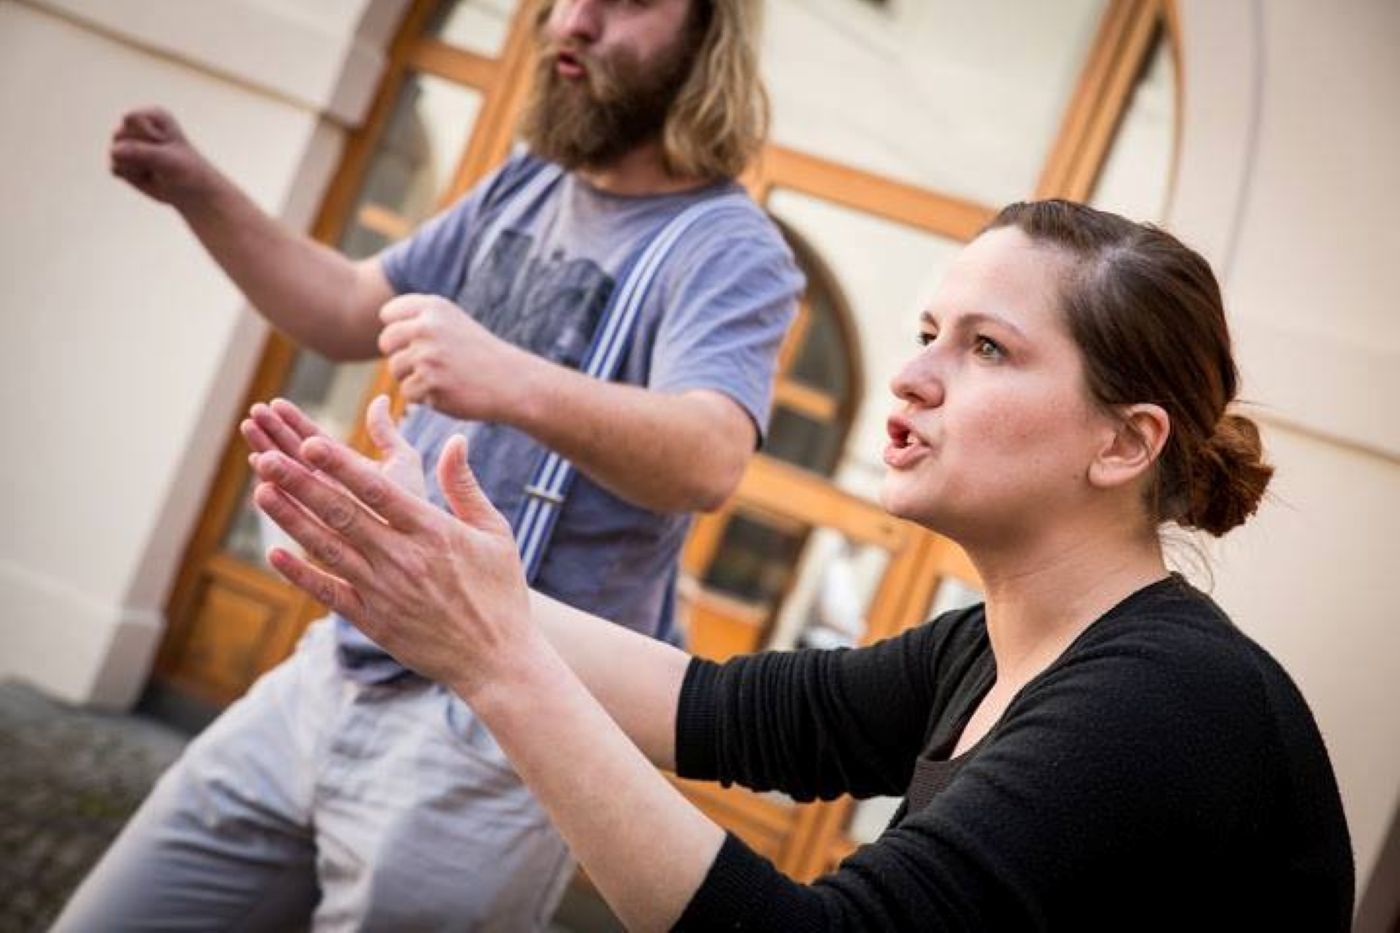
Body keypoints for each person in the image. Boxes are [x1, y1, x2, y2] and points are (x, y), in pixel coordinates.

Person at [246, 200, 1355, 931]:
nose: (912, 376)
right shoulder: (989, 649)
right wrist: (454, 570)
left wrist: (493, 659)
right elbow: (717, 711)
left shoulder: (1166, 700)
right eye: (927, 331)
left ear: (1123, 443)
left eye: (986, 347)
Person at [59, 0, 801, 929]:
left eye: (625, 1)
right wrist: (199, 190)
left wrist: (510, 378)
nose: (574, 21)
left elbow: (710, 454)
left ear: (706, 39)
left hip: (496, 740)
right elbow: (347, 306)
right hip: (337, 663)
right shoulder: (527, 182)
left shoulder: (728, 247)